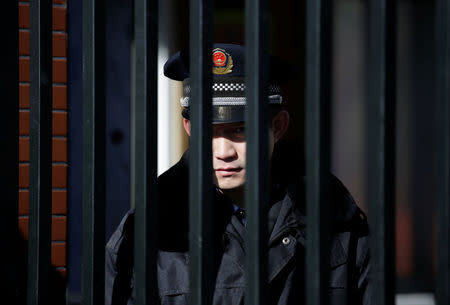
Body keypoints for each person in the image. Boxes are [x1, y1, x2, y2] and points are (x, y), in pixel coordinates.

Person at [105, 43, 370, 305]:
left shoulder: (337, 220)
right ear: (188, 127)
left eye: (240, 130)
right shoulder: (148, 230)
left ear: (278, 126)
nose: (223, 151)